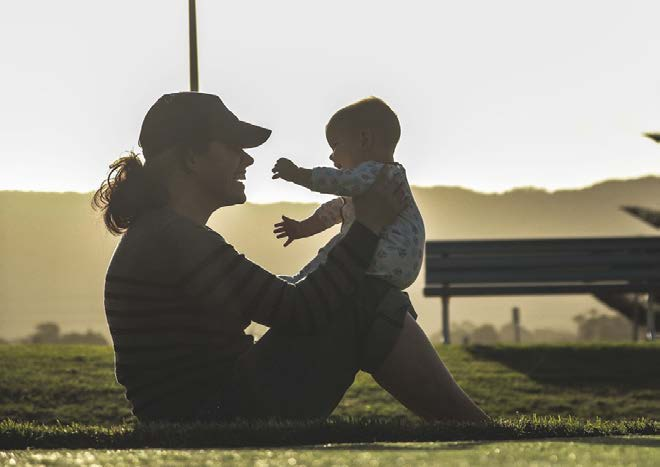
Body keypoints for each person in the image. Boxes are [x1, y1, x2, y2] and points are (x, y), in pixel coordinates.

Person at [93, 91, 488, 423]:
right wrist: (368, 226)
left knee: (365, 296)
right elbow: (300, 310)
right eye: (234, 147)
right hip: (214, 415)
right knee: (367, 299)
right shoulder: (172, 240)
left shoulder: (164, 235)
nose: (246, 160)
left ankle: (475, 428)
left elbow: (282, 301)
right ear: (191, 158)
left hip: (206, 409)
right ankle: (478, 430)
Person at [271, 96, 424, 290]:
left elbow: (338, 182)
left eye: (335, 145)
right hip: (399, 267)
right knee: (341, 247)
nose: (331, 156)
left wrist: (298, 174)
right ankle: (301, 281)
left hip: (385, 256)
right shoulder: (379, 181)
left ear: (364, 140)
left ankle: (302, 283)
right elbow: (337, 210)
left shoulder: (378, 172)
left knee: (337, 250)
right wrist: (302, 229)